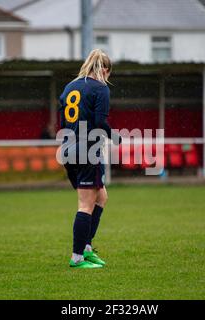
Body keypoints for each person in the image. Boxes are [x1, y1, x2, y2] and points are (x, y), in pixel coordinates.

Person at [58, 49, 121, 269]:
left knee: (101, 196)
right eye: (109, 72)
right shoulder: (100, 88)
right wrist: (116, 137)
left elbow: (63, 122)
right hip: (87, 149)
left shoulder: (70, 87)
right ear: (104, 70)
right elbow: (100, 121)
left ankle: (86, 247)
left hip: (67, 149)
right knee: (85, 204)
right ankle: (77, 257)